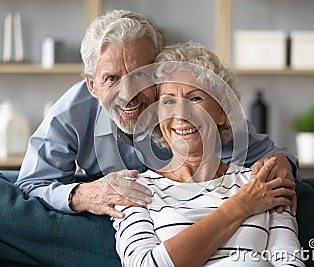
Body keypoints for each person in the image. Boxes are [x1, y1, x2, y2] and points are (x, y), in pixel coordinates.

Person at [15, 9, 298, 218]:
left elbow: (271, 154)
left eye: (141, 75)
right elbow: (30, 184)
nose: (128, 95)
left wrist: (280, 165)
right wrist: (82, 194)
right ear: (92, 85)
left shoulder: (188, 104)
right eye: (112, 79)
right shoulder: (72, 112)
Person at [112, 42, 305, 267]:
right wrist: (241, 205)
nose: (181, 114)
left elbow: (290, 263)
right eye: (169, 101)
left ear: (221, 111)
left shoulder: (260, 183)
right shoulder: (135, 190)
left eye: (195, 98)